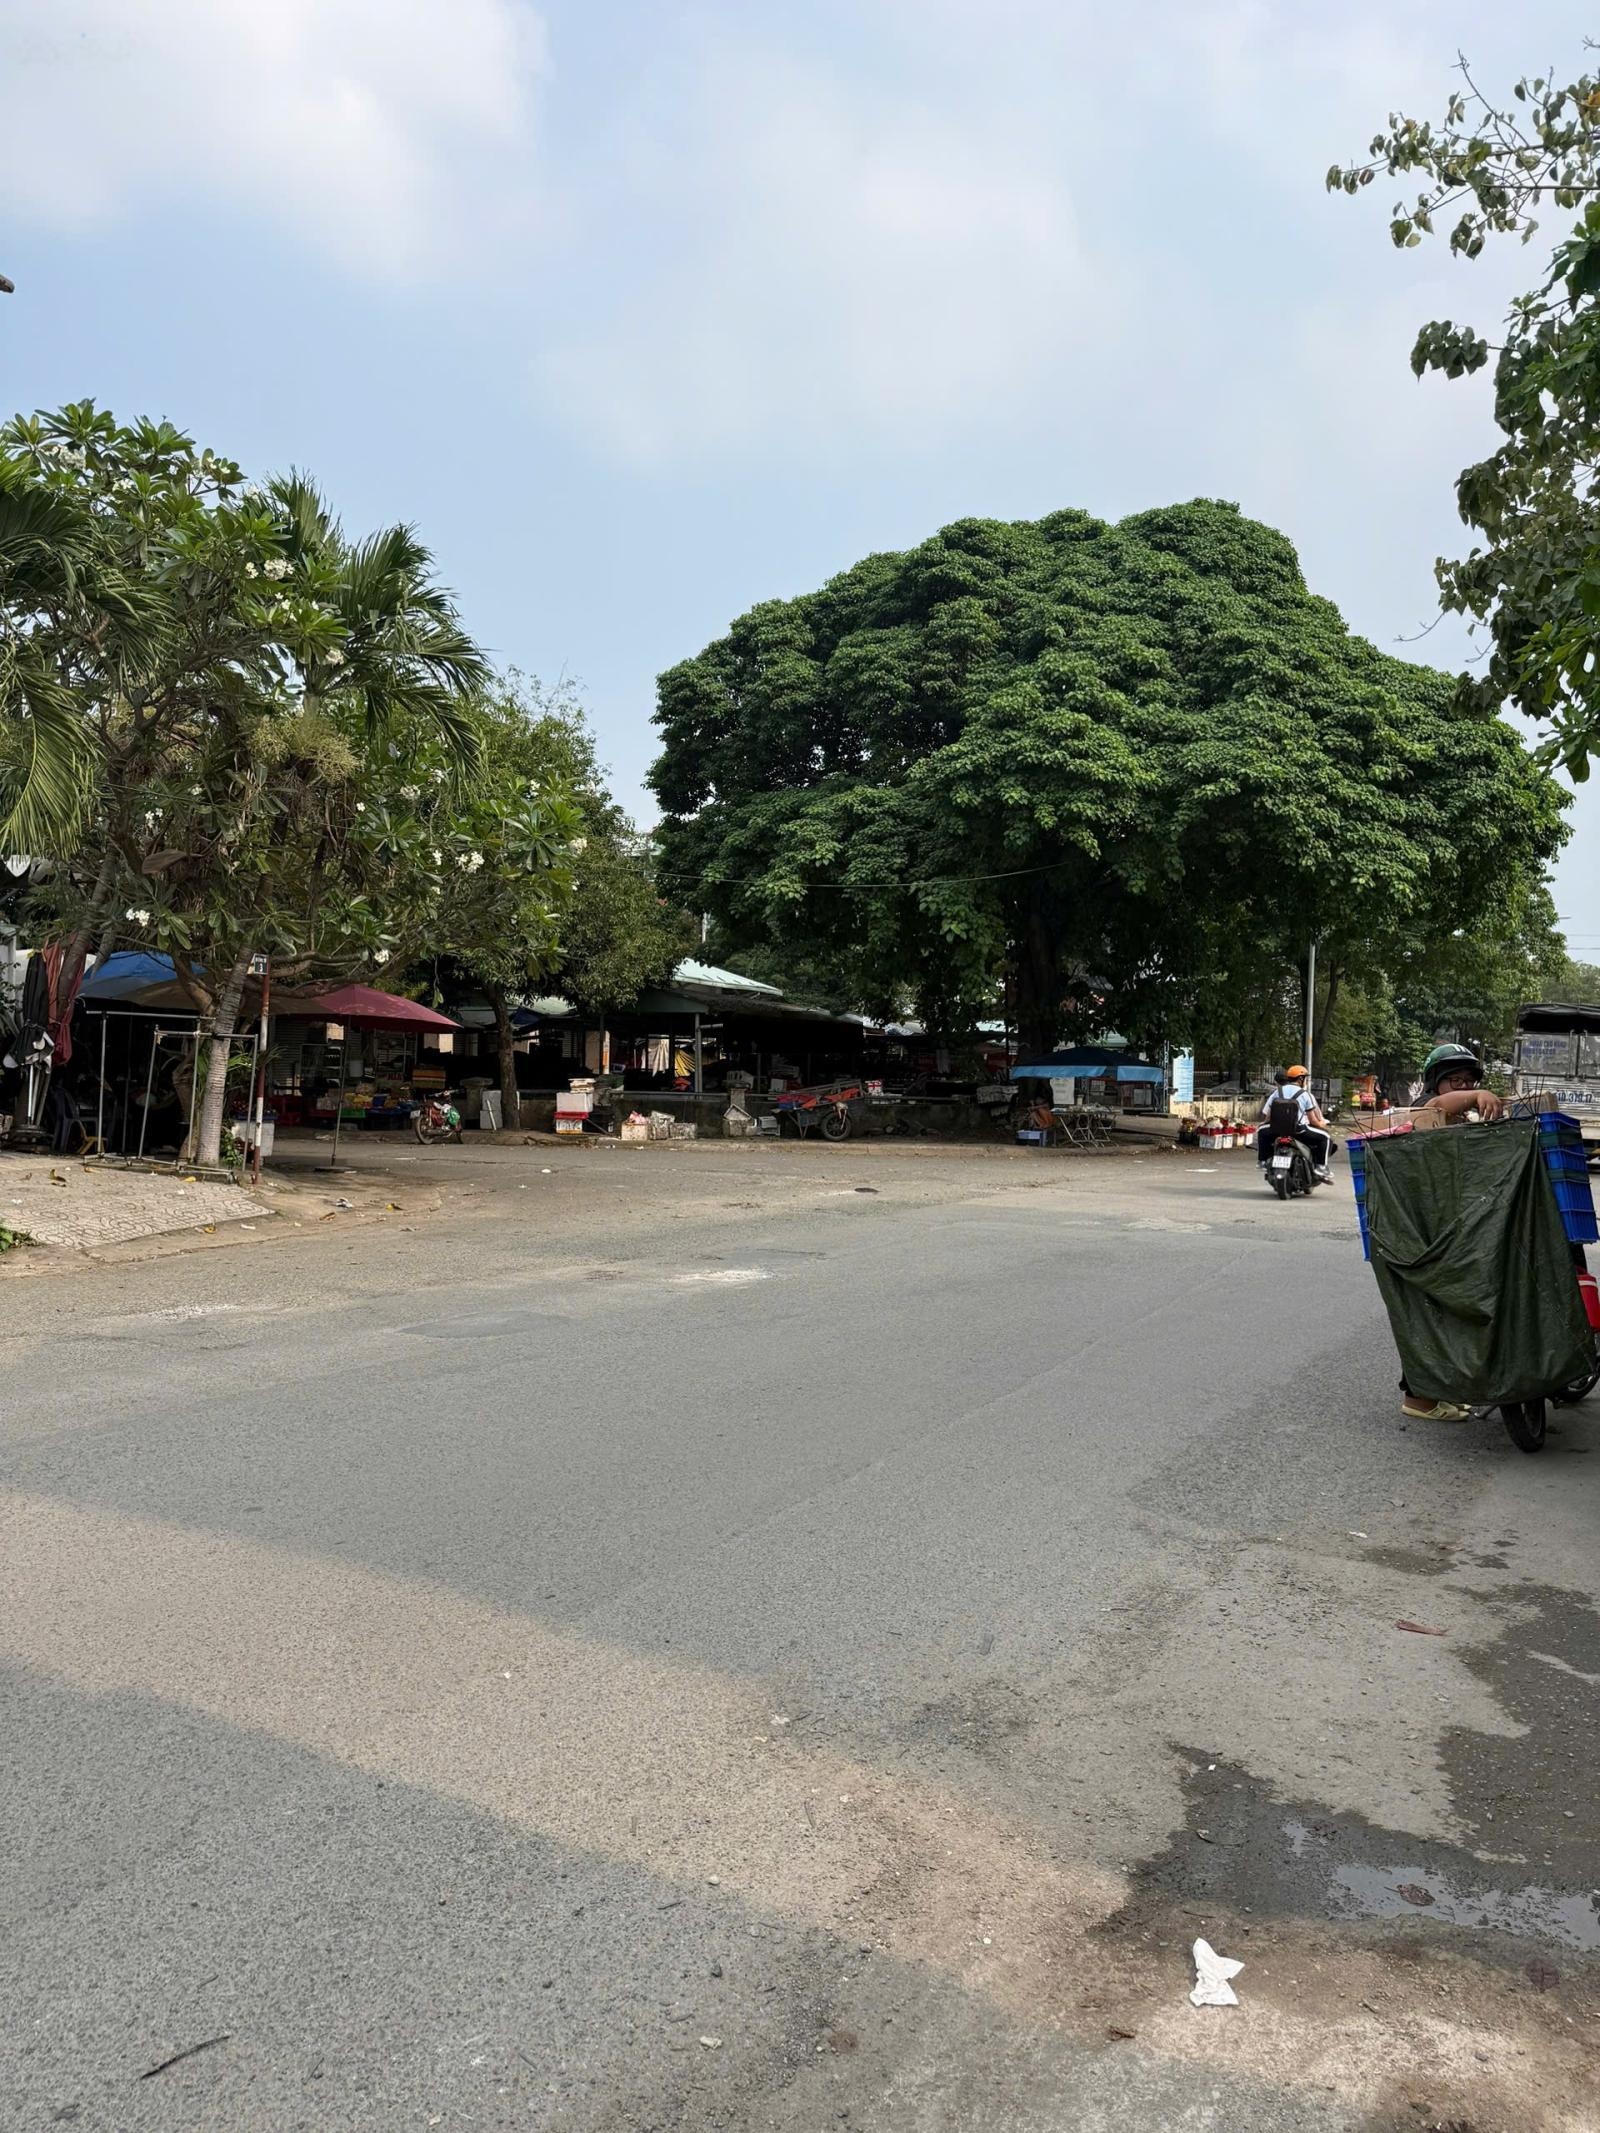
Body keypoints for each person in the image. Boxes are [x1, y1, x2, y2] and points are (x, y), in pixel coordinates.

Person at [1396, 1044, 1504, 1424]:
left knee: (1446, 1315)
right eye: (1454, 1080)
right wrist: (1476, 1095)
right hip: (1421, 1234)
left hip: (1447, 1229)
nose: (1463, 1086)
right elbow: (1438, 1106)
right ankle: (1418, 1398)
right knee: (1426, 1314)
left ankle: (1438, 1392)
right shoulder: (1425, 1110)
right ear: (1435, 1083)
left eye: (1469, 1081)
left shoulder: (1460, 1122)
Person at [1256, 1064, 1334, 1179]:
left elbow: (1269, 1114)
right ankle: (1321, 1166)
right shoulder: (1304, 1094)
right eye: (1305, 1078)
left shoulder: (1278, 1091)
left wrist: (1264, 1123)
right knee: (1325, 1137)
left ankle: (1262, 1161)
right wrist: (1321, 1124)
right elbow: (1312, 1120)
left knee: (1261, 1131)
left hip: (1276, 1130)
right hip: (1298, 1131)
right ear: (1301, 1079)